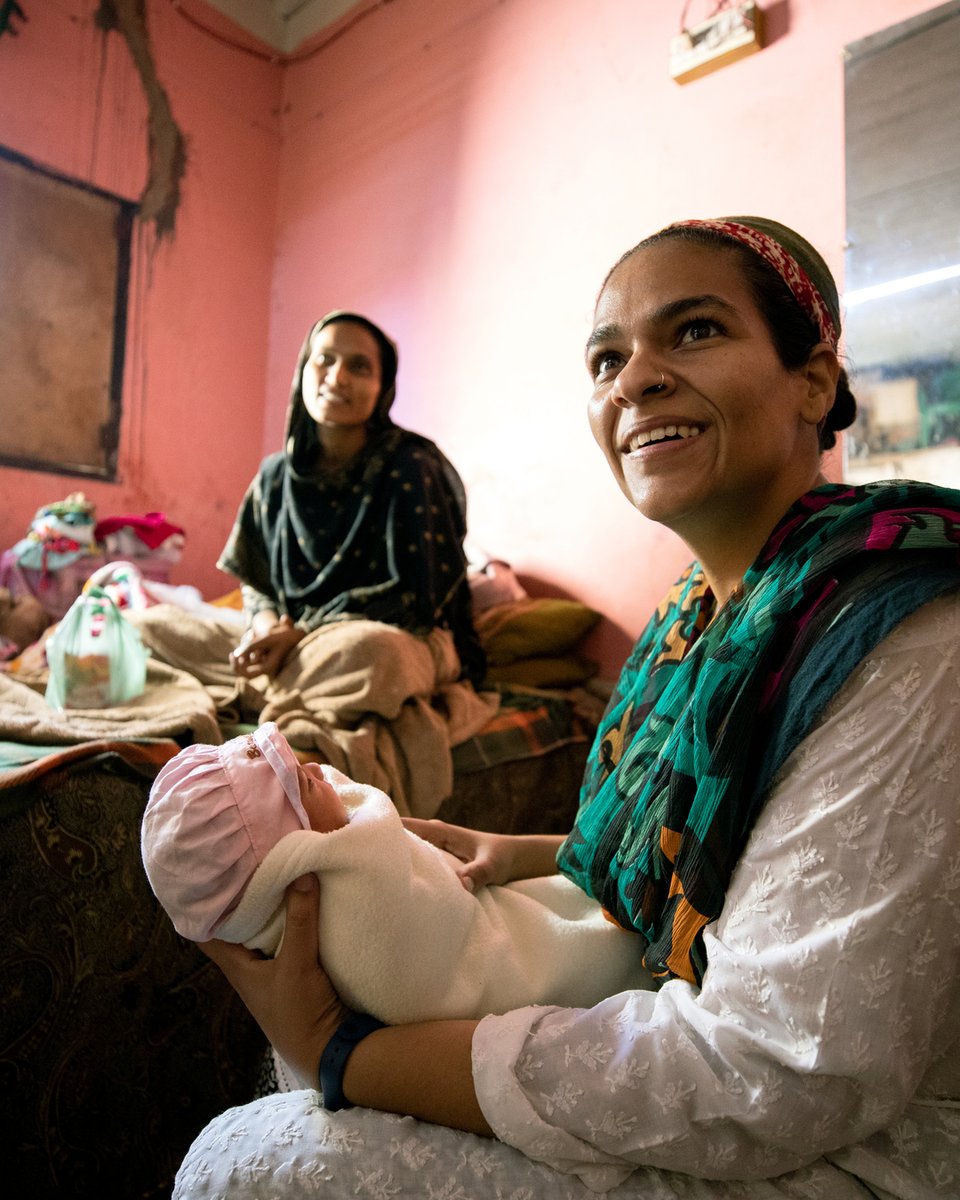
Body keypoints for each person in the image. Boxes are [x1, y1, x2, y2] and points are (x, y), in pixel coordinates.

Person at [174, 218, 960, 1199]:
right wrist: (531, 850)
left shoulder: (899, 636)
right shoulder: (695, 625)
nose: (635, 380)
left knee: (243, 1163)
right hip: (747, 1060)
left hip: (878, 1130)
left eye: (697, 331)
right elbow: (746, 843)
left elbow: (781, 1071)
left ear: (812, 378)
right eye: (607, 358)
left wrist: (340, 1049)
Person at [128, 312, 495, 816]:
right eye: (324, 360)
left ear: (383, 388)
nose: (337, 376)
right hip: (294, 646)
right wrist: (262, 624)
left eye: (359, 367)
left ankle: (257, 688)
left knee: (373, 655)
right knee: (147, 628)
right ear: (303, 369)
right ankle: (272, 682)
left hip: (392, 635)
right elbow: (255, 580)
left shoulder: (410, 466)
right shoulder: (276, 476)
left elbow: (416, 598)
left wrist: (297, 633)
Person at [142, 723, 651, 1031]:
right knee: (596, 936)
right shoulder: (350, 892)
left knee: (558, 903)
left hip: (509, 909)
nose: (320, 768)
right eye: (302, 782)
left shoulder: (315, 885)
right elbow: (432, 970)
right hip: (528, 967)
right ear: (289, 860)